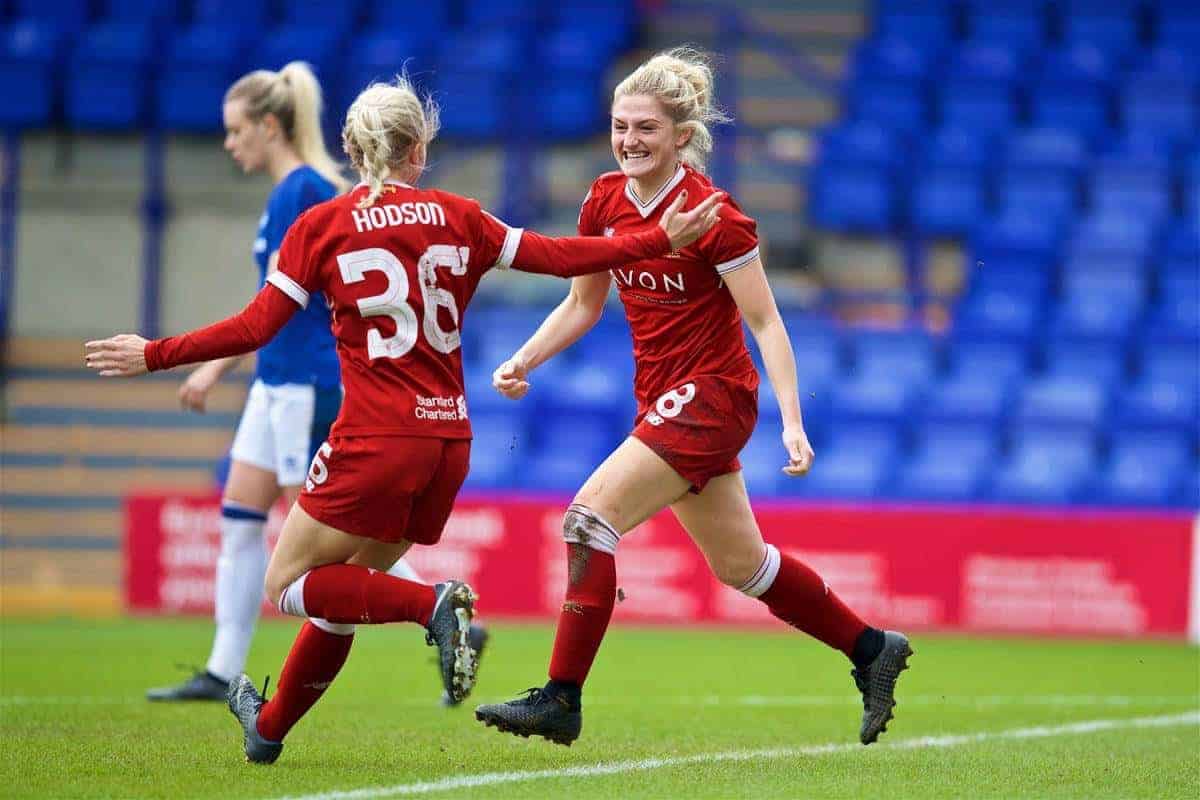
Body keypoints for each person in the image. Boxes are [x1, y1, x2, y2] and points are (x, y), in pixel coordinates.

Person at [85, 76, 724, 764]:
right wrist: (652, 241)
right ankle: (268, 728)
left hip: (374, 441)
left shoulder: (322, 226)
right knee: (342, 598)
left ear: (353, 150)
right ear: (419, 148)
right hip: (448, 443)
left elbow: (256, 325)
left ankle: (432, 605)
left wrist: (156, 354)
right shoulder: (459, 215)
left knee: (286, 585)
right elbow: (557, 255)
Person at [474, 48, 913, 748]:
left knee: (589, 518)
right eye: (620, 126)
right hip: (661, 399)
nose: (629, 141)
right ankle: (871, 649)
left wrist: (791, 423)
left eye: (645, 128)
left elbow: (765, 320)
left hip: (713, 396)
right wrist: (524, 357)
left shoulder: (715, 216)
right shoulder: (604, 201)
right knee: (744, 566)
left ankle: (561, 697)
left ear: (682, 135)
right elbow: (584, 303)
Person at [143, 62, 485, 708]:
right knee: (242, 516)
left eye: (235, 129)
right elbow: (271, 300)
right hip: (272, 381)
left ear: (269, 126)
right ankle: (224, 669)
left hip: (303, 380)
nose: (228, 143)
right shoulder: (289, 194)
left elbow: (278, 306)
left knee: (329, 546)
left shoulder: (305, 192)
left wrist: (197, 361)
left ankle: (436, 607)